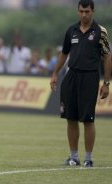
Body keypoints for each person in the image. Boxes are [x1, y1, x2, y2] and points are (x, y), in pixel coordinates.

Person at [50, 0, 111, 167]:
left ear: (93, 11)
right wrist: (55, 73)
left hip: (90, 77)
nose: (84, 15)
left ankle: (88, 158)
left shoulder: (101, 31)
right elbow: (64, 54)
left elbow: (107, 57)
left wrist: (106, 83)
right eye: (81, 11)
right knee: (71, 118)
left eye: (87, 11)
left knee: (88, 120)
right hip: (71, 77)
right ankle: (74, 157)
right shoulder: (71, 30)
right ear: (78, 11)